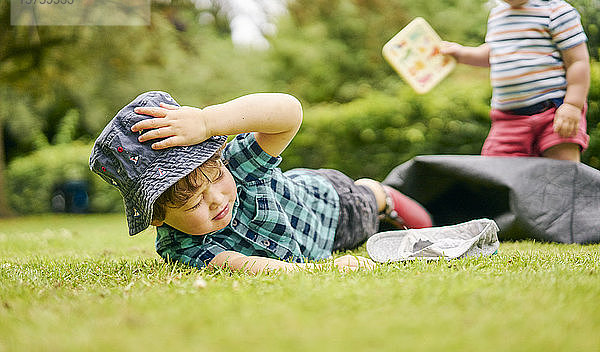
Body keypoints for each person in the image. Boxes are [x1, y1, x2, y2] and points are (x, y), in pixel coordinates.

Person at [90, 91, 432, 274]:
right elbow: (243, 264)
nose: (215, 199)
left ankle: (383, 192)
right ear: (157, 216)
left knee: (382, 205)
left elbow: (289, 112)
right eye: (193, 203)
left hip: (333, 206)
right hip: (315, 244)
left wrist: (208, 121)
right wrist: (310, 274)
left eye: (217, 177)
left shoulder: (237, 164)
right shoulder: (182, 248)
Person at [442, 0, 590, 162]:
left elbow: (577, 61)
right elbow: (494, 53)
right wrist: (460, 53)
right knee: (496, 176)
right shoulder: (497, 17)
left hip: (553, 112)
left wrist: (573, 105)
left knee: (562, 175)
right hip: (507, 120)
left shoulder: (556, 12)